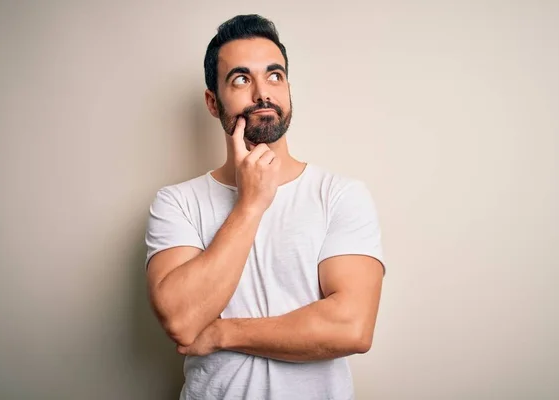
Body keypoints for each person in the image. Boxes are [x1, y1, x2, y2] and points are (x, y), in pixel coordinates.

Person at [145, 14, 386, 400]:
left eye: (275, 76)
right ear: (212, 101)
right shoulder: (177, 202)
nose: (263, 92)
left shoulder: (340, 194)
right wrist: (250, 204)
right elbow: (182, 320)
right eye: (241, 79)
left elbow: (352, 327)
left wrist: (224, 333)